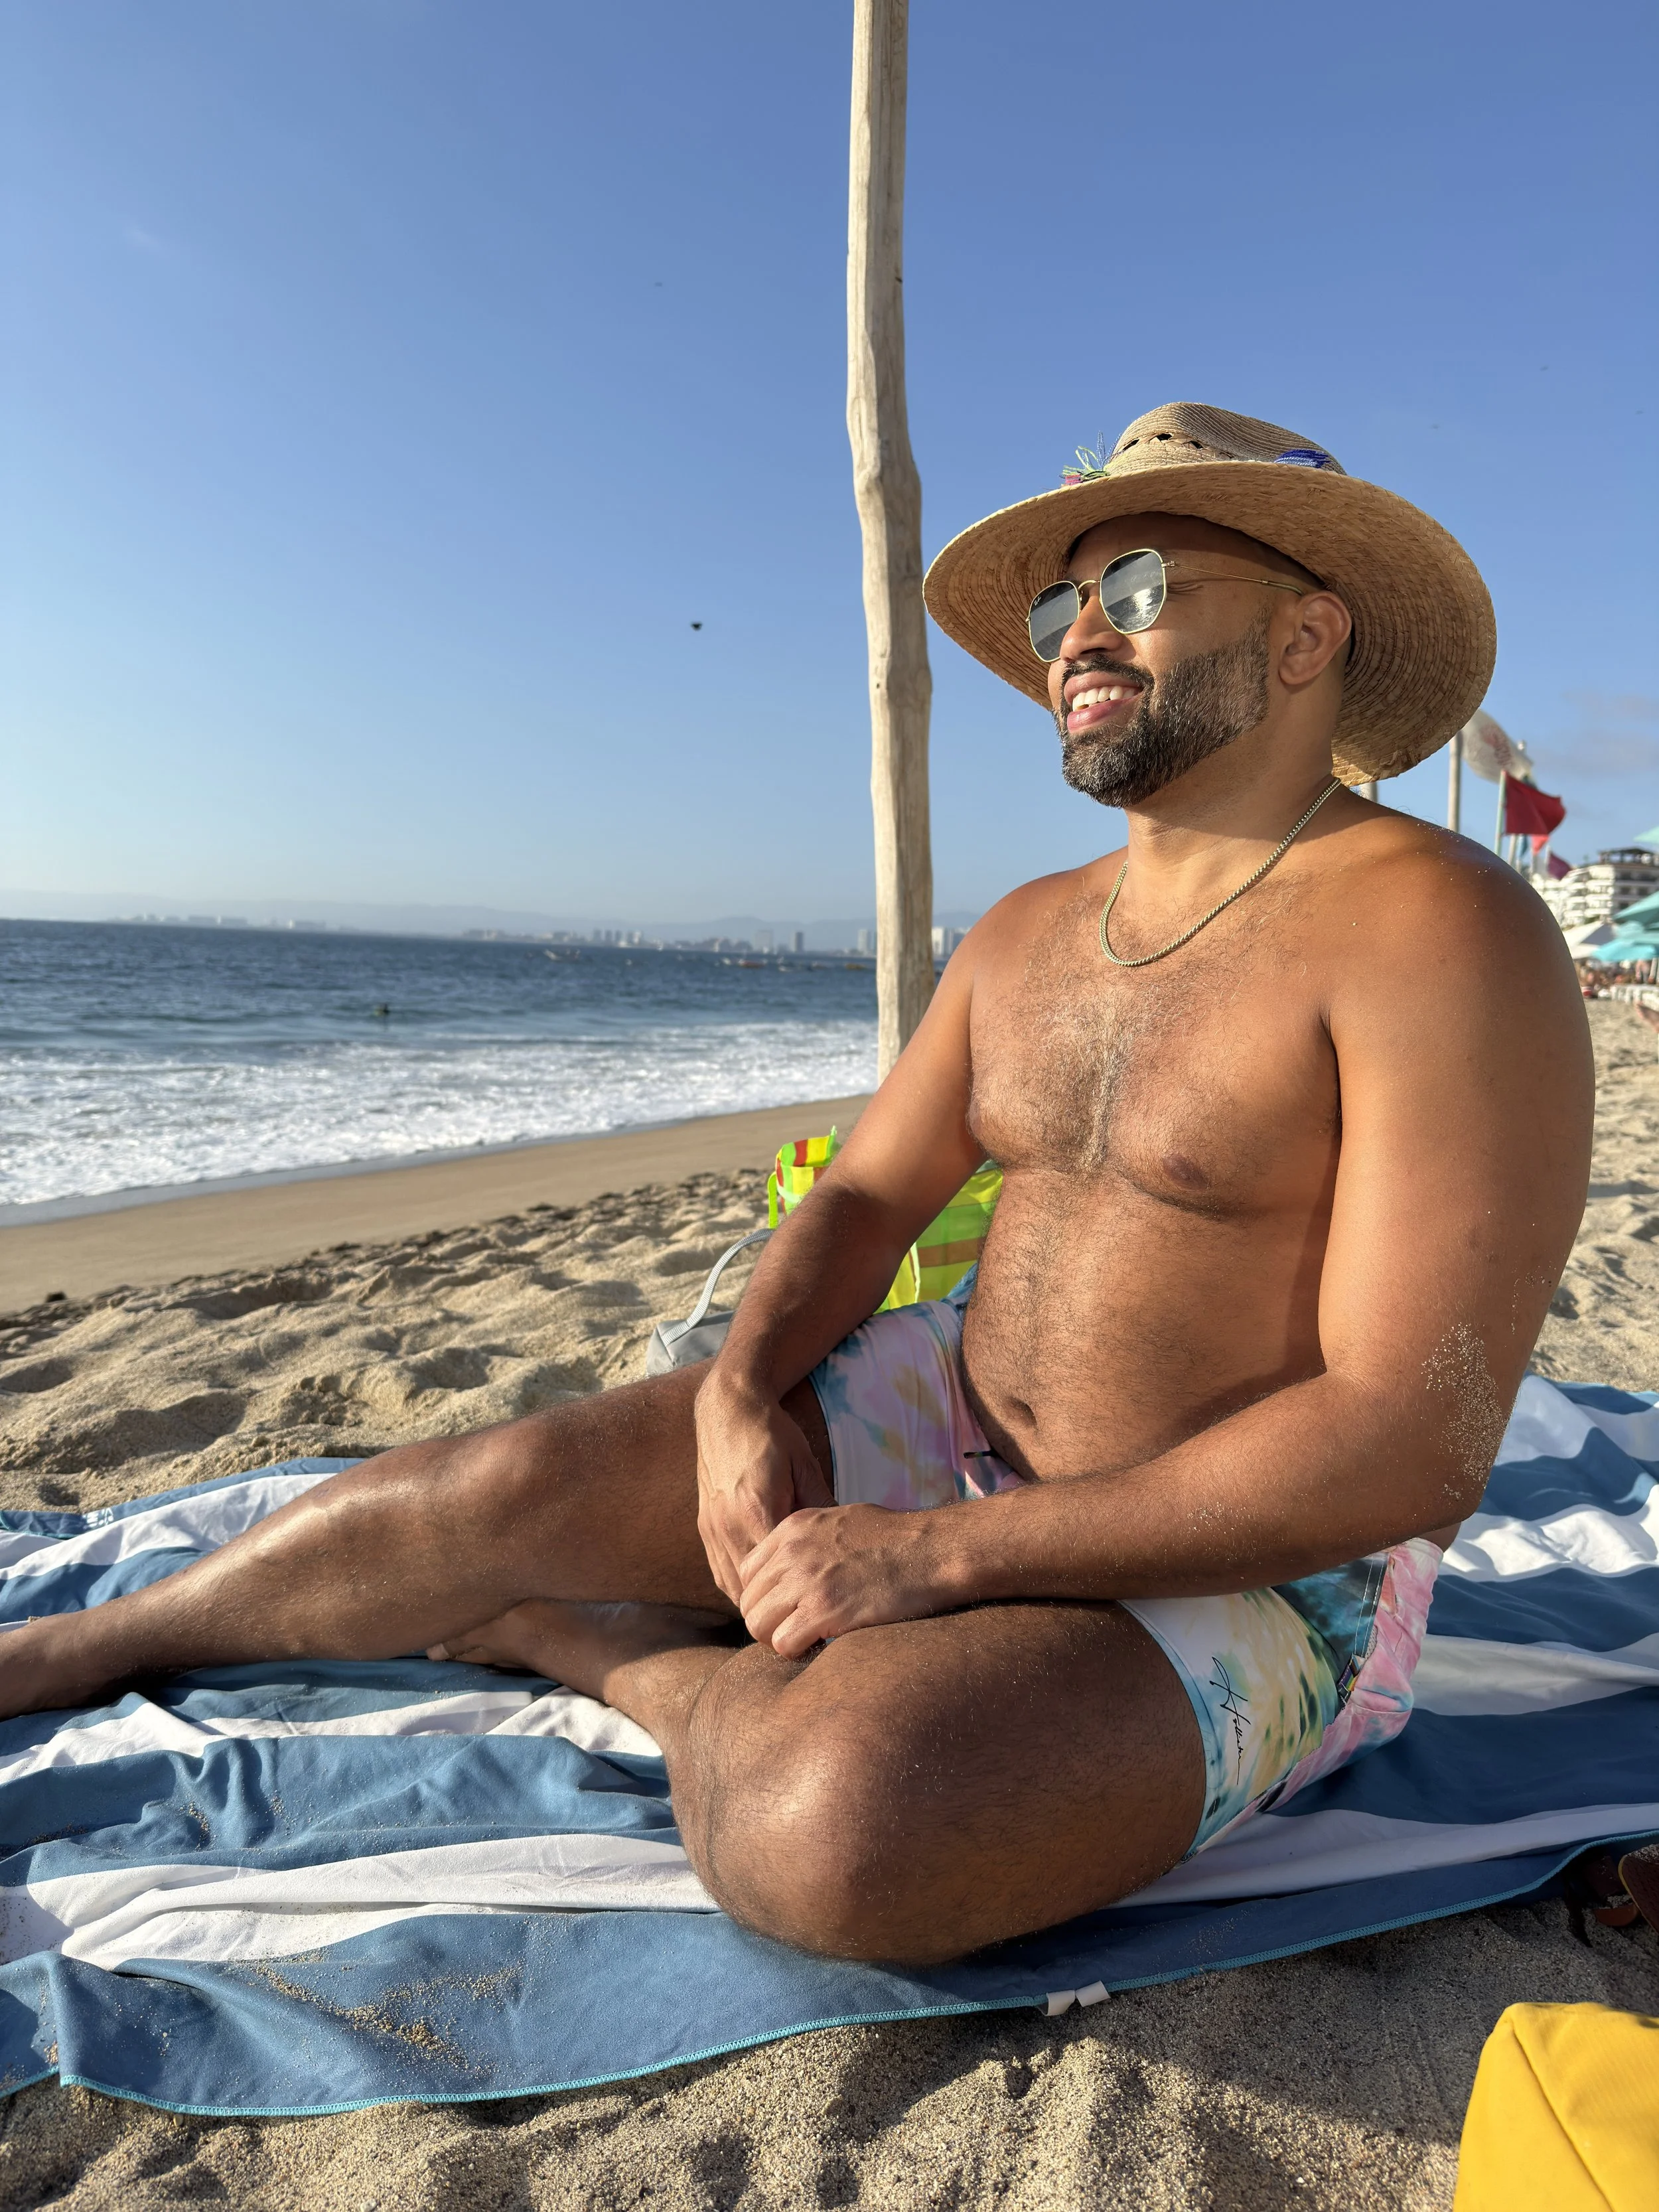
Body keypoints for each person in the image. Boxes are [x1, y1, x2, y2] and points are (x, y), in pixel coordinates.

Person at [3, 403, 1593, 1966]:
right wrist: (743, 1389)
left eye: (1138, 592)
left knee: (834, 1826)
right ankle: (93, 1641)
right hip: (948, 1425)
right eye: (1062, 606)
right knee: (489, 1492)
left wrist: (932, 1564)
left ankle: (618, 1660)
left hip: (1240, 1565)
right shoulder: (1028, 929)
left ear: (1307, 636)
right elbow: (857, 1200)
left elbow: (1408, 1443)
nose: (1074, 644)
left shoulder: (1438, 935)